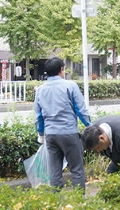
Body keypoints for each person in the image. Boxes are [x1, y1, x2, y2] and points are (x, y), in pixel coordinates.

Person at [34, 57, 91, 192]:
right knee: (76, 169)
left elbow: (39, 116)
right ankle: (78, 202)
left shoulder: (40, 90)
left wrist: (41, 134)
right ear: (61, 69)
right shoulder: (70, 86)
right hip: (68, 133)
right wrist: (90, 126)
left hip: (51, 135)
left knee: (55, 171)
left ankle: (55, 202)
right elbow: (80, 110)